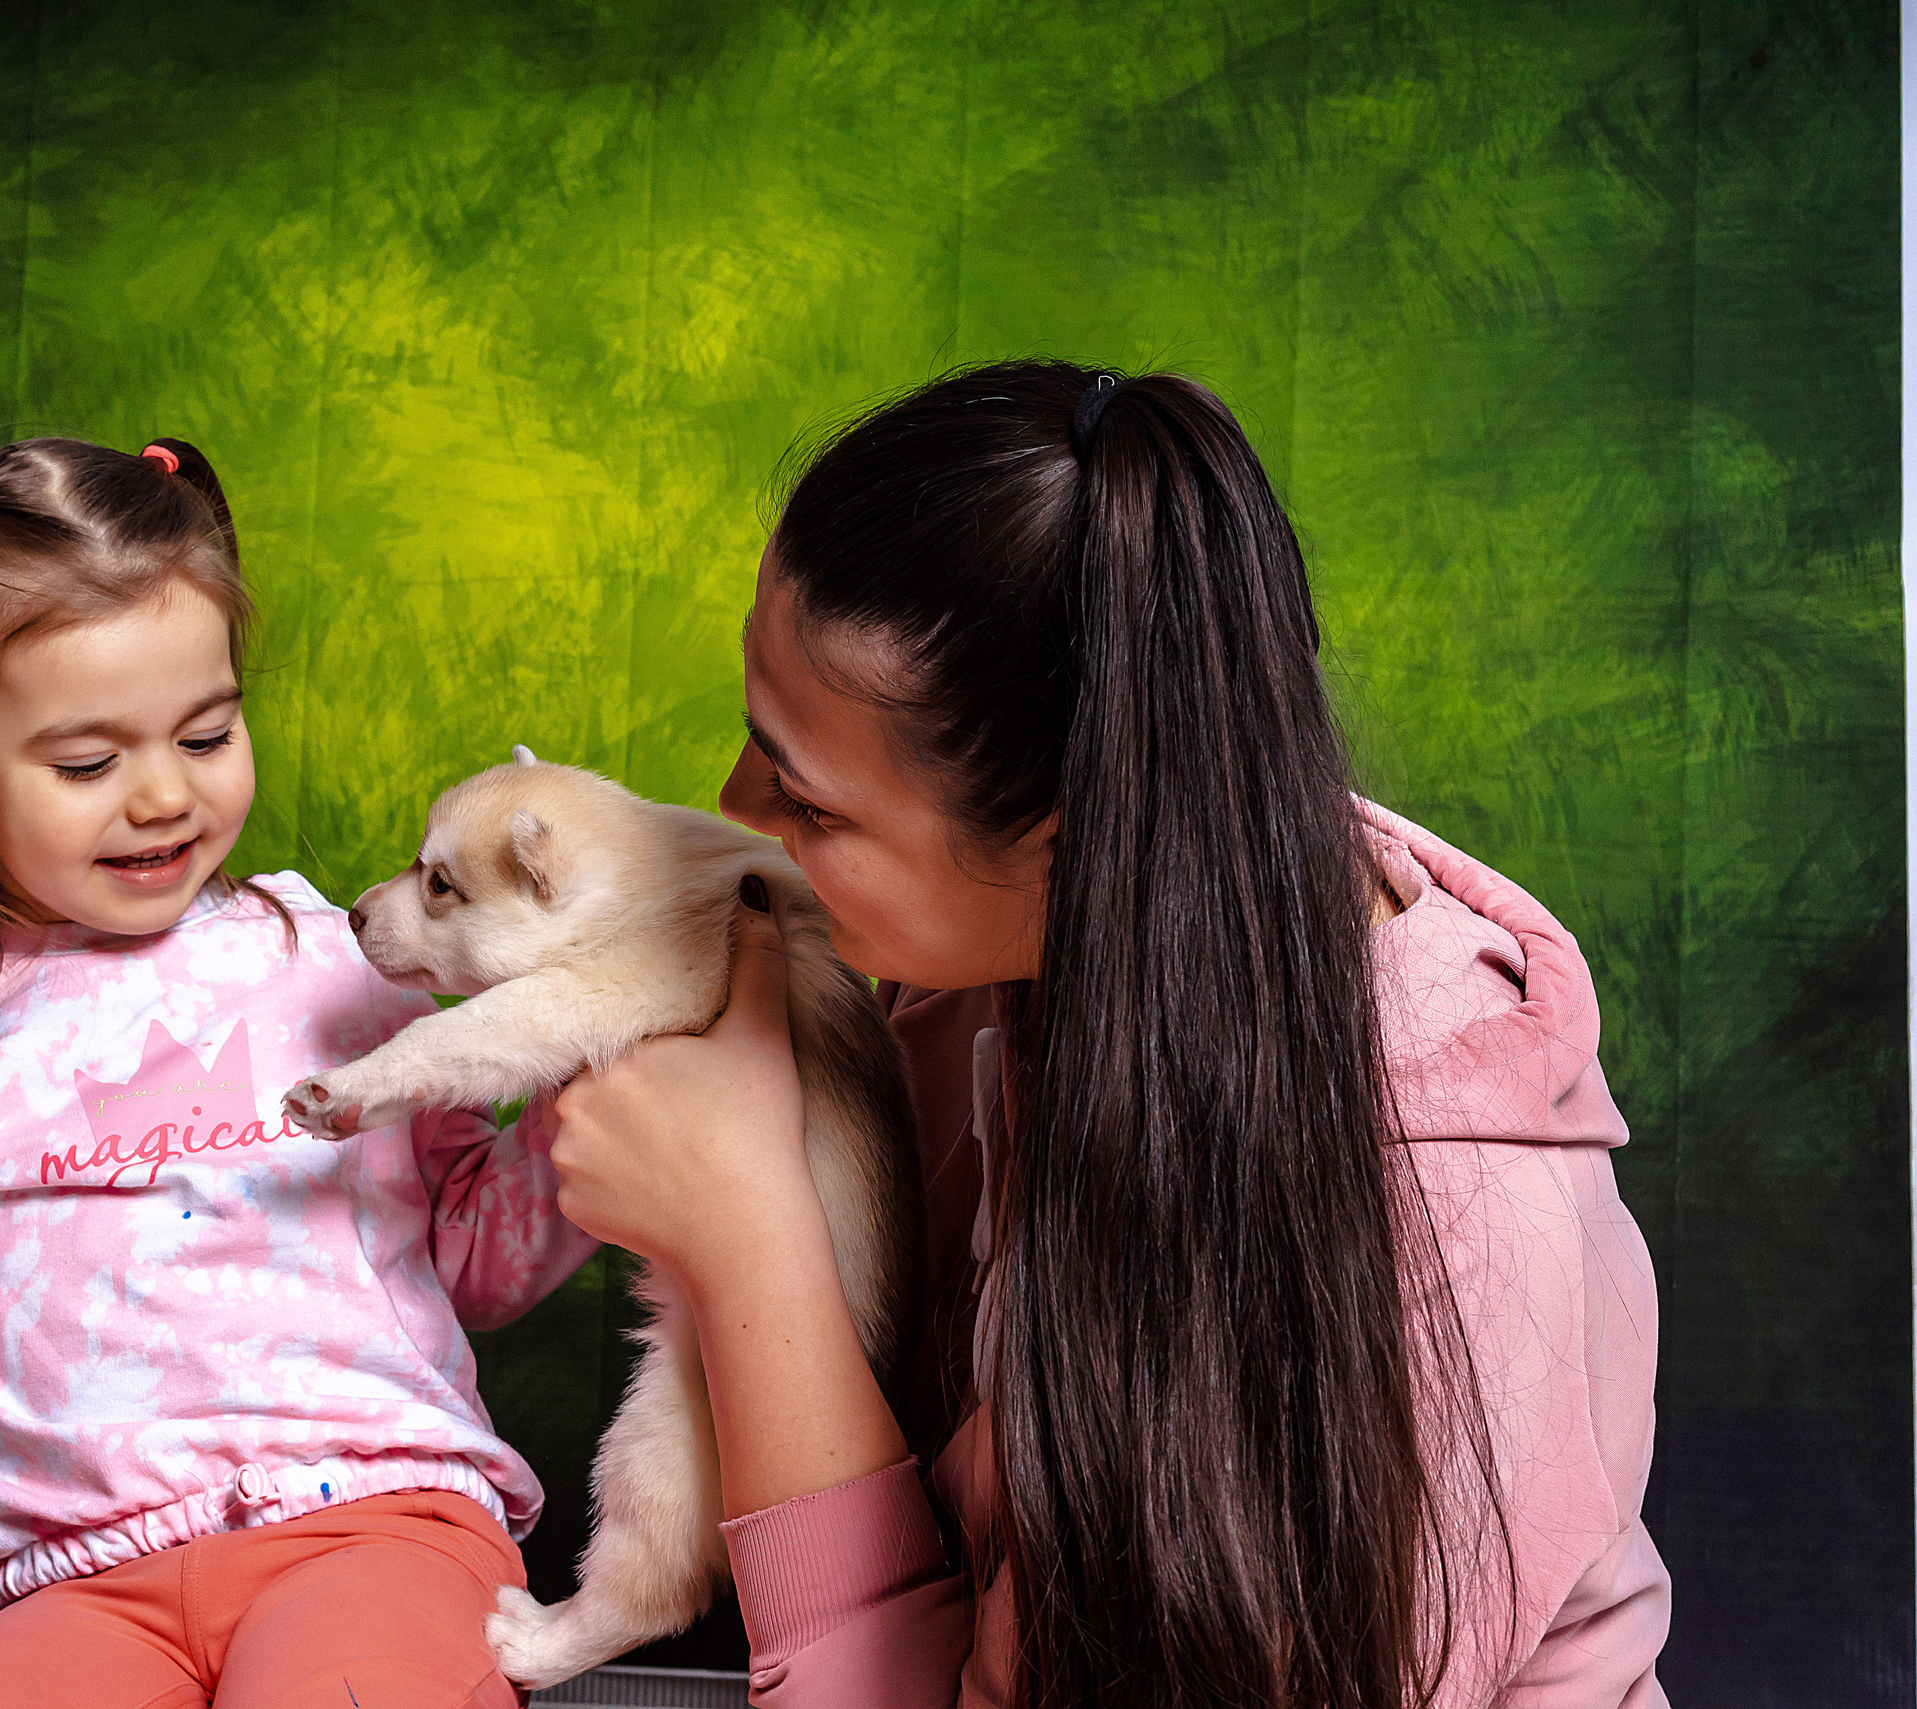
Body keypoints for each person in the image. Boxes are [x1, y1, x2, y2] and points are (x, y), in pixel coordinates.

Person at [546, 361, 1671, 1707]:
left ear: (1076, 843)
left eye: (811, 802)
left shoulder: (1448, 1248)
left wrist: (750, 1250)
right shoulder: (1025, 942)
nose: (737, 810)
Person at [0, 435, 594, 1709]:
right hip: (79, 1586)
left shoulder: (327, 958)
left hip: (374, 1521)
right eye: (88, 764)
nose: (162, 795)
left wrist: (574, 1074)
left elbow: (475, 1262)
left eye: (206, 732)